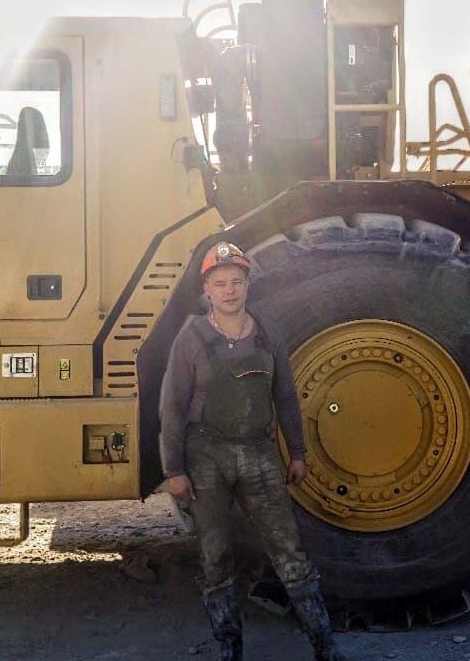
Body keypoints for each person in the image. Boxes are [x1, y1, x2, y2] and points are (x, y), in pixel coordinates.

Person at [159, 241, 345, 661]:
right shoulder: (191, 338)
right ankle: (231, 650)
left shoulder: (266, 332)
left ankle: (326, 648)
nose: (229, 290)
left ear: (247, 286)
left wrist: (297, 452)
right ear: (207, 290)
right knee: (215, 555)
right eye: (220, 283)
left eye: (236, 282)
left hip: (259, 454)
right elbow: (172, 406)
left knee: (289, 550)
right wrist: (175, 470)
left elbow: (286, 395)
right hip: (206, 456)